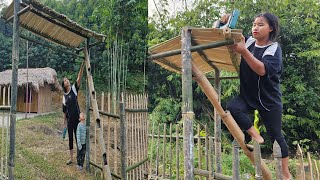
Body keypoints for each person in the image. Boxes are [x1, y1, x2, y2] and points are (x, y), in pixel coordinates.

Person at [226, 12, 292, 179]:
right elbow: (229, 33)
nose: (255, 27)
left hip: (269, 100)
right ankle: (254, 133)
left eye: (260, 24)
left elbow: (262, 70)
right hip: (248, 96)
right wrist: (224, 21)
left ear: (271, 28)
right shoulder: (246, 41)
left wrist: (244, 52)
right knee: (232, 107)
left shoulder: (273, 48)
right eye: (254, 24)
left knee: (277, 136)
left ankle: (285, 173)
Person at [62, 62, 85, 165]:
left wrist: (82, 65)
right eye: (65, 81)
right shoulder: (64, 96)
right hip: (70, 121)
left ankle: (80, 158)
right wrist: (64, 122)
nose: (67, 81)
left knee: (79, 138)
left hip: (78, 119)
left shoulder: (74, 90)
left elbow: (79, 77)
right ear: (64, 85)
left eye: (67, 80)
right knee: (71, 139)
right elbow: (64, 110)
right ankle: (71, 158)